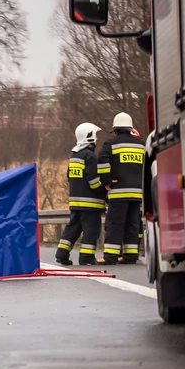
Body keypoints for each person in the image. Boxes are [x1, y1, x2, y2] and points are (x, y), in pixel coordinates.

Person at [56, 123, 106, 265]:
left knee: (73, 228)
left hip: (75, 203)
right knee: (91, 231)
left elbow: (69, 177)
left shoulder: (74, 156)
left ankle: (62, 254)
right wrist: (104, 189)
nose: (96, 140)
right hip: (90, 204)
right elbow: (94, 181)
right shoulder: (90, 157)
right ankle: (86, 257)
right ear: (89, 138)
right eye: (95, 137)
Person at [97, 112, 144, 264]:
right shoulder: (141, 145)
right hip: (137, 192)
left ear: (115, 129)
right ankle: (130, 255)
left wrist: (107, 181)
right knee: (132, 223)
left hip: (118, 191)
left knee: (115, 223)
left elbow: (102, 161)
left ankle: (111, 256)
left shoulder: (111, 143)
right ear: (130, 128)